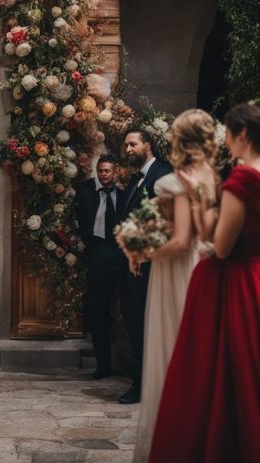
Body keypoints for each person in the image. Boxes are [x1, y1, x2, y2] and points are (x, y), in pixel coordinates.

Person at [150, 102, 260, 462]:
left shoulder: (242, 179)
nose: (225, 141)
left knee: (218, 372)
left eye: (228, 133)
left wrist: (199, 208)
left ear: (242, 134)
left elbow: (222, 246)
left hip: (232, 283)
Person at [129, 109, 217, 462]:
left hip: (175, 269)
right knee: (194, 348)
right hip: (200, 265)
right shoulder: (212, 178)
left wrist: (143, 251)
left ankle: (173, 440)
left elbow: (180, 241)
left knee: (169, 348)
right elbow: (204, 234)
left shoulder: (177, 181)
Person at [117, 129, 173, 404]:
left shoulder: (161, 175)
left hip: (149, 267)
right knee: (136, 325)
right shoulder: (136, 179)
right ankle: (141, 382)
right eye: (125, 145)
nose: (127, 149)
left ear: (147, 146)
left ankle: (143, 386)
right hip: (133, 267)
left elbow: (165, 222)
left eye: (132, 144)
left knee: (145, 326)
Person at [75, 155, 124, 379]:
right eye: (101, 170)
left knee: (126, 310)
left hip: (121, 256)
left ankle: (128, 363)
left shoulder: (123, 193)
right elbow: (80, 221)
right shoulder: (84, 191)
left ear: (115, 172)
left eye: (107, 171)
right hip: (97, 255)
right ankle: (102, 364)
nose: (104, 174)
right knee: (98, 312)